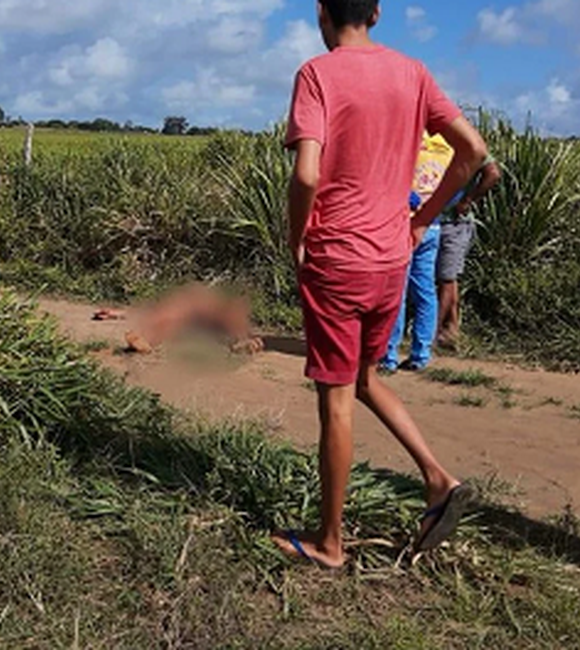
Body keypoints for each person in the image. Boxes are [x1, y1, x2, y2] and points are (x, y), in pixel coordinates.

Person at [275, 0, 487, 570]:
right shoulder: (413, 73)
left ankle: (329, 542)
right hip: (392, 257)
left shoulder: (317, 74)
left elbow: (307, 173)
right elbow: (474, 151)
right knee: (366, 378)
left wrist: (299, 237)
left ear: (321, 12)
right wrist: (420, 223)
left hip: (337, 257)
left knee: (336, 399)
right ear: (377, 12)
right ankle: (438, 479)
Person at [379, 134, 454, 372]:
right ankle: (421, 354)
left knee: (396, 292)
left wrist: (411, 200)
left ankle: (389, 355)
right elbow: (457, 185)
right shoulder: (447, 145)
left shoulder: (408, 137)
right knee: (425, 291)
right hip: (432, 225)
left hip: (404, 224)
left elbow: (392, 178)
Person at [436, 154, 501, 347]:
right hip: (442, 220)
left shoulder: (468, 143)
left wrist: (468, 200)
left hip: (454, 221)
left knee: (446, 277)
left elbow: (493, 173)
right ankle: (451, 328)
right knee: (447, 277)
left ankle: (434, 330)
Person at [92, 284, 264, 354]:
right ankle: (145, 339)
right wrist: (121, 313)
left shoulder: (224, 307)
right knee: (178, 310)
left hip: (212, 313)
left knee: (195, 299)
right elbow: (160, 311)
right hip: (200, 314)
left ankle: (241, 340)